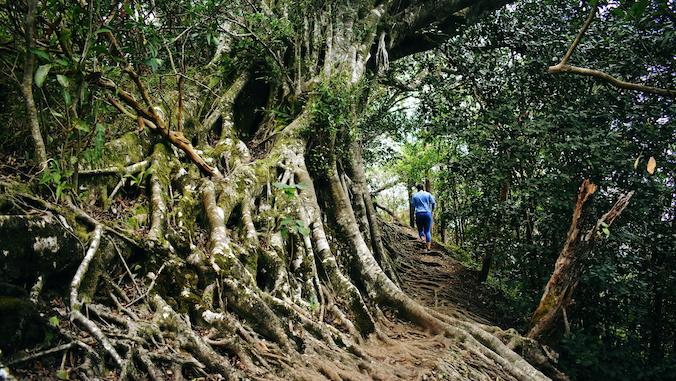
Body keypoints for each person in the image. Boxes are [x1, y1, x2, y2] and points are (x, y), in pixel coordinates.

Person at [411, 183, 435, 252]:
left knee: (420, 230)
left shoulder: (414, 196)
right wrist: (432, 210)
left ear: (417, 189)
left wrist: (413, 214)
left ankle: (422, 239)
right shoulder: (428, 194)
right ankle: (428, 248)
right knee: (427, 231)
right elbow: (433, 203)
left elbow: (413, 206)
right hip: (427, 213)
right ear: (423, 188)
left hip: (418, 213)